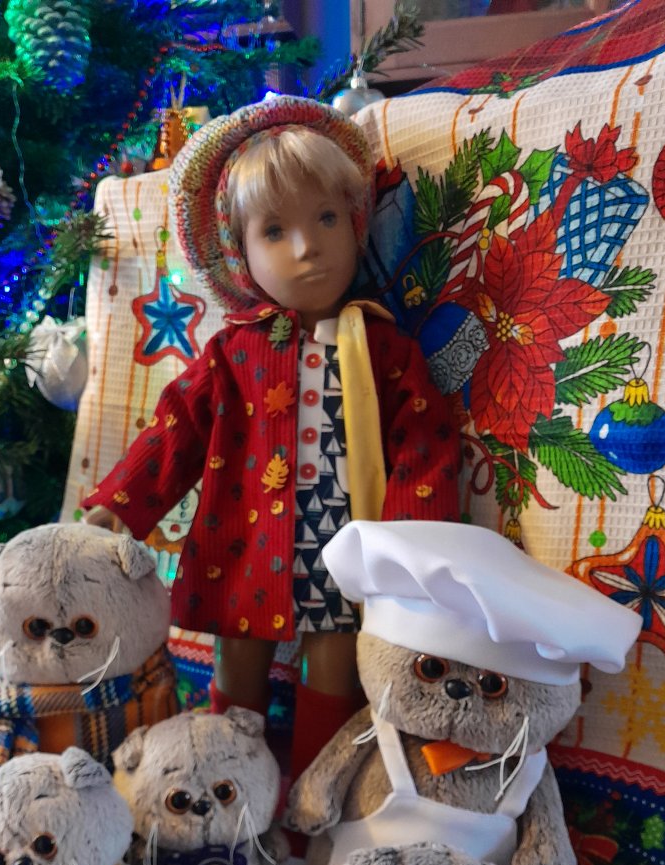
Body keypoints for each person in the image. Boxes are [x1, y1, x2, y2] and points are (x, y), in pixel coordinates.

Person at [83, 95, 460, 786]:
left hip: (348, 550)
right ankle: (227, 791)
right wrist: (122, 502)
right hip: (245, 544)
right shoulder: (233, 355)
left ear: (355, 223)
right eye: (276, 231)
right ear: (240, 253)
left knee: (334, 670)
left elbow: (423, 444)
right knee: (237, 670)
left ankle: (312, 804)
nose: (308, 247)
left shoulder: (385, 348)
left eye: (327, 219)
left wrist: (411, 540)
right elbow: (176, 426)